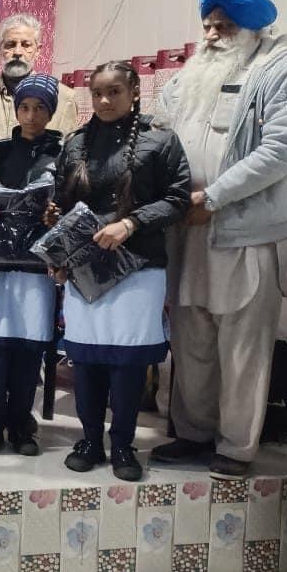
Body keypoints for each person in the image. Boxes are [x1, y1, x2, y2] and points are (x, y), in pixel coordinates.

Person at [151, 0, 287, 478]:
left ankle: (236, 446)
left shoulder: (285, 71)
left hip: (247, 232)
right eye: (207, 25)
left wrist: (215, 197)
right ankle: (193, 434)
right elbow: (159, 132)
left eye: (223, 26)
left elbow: (283, 150)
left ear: (253, 29)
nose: (211, 35)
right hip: (188, 229)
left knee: (243, 346)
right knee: (192, 337)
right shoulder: (190, 73)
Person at [54, 61, 190, 482]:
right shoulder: (75, 143)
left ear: (134, 92)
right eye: (97, 93)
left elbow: (178, 199)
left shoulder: (160, 140)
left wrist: (131, 223)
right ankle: (90, 441)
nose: (104, 100)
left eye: (114, 91)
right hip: (84, 267)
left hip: (139, 268)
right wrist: (59, 257)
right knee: (86, 357)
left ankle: (124, 445)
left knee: (128, 362)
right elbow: (61, 205)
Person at [0, 74, 63, 457]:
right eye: (24, 107)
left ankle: (21, 426)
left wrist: (55, 215)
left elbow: (71, 202)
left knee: (30, 350)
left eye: (40, 108)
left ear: (51, 112)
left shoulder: (63, 153)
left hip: (38, 269)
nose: (30, 116)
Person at [0, 14, 78, 156]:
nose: (17, 52)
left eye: (26, 45)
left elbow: (70, 157)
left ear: (38, 50)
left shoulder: (65, 98)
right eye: (10, 45)